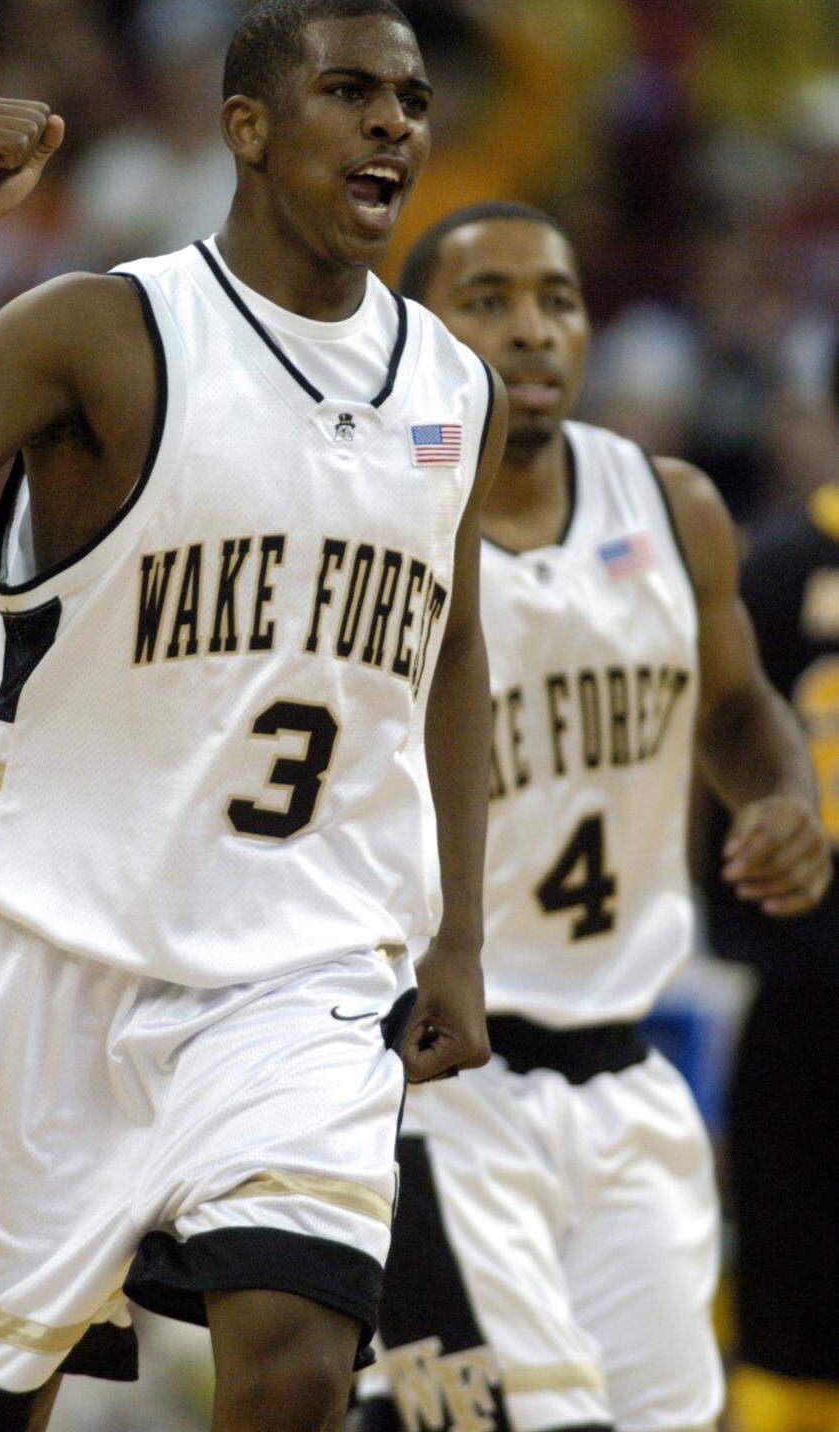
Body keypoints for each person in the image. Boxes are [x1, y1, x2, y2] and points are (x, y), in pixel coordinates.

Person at [0, 0, 507, 1432]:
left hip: (305, 967)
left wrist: (462, 940)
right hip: (55, 951)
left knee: (296, 1366)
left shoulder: (452, 389)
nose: (394, 124)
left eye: (412, 101)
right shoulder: (108, 331)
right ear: (248, 128)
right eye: (352, 91)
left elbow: (457, 647)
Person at [352, 202, 831, 1432]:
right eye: (489, 300)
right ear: (415, 332)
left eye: (556, 300)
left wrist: (782, 796)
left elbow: (742, 707)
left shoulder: (672, 507)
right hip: (436, 1082)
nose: (532, 329)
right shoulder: (371, 517)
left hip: (628, 1078)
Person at [697, 338, 839, 1432]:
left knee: (789, 1327)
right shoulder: (774, 568)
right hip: (805, 1001)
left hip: (798, 986)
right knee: (787, 1323)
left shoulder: (778, 562)